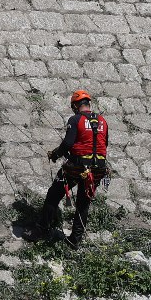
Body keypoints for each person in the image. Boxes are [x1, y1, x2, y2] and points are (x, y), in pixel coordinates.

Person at [38, 89, 109, 245]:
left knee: (54, 194)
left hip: (77, 167)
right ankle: (75, 240)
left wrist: (55, 154)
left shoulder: (75, 119)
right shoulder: (102, 121)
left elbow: (68, 143)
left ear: (76, 106)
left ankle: (43, 228)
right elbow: (104, 144)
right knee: (84, 202)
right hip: (98, 169)